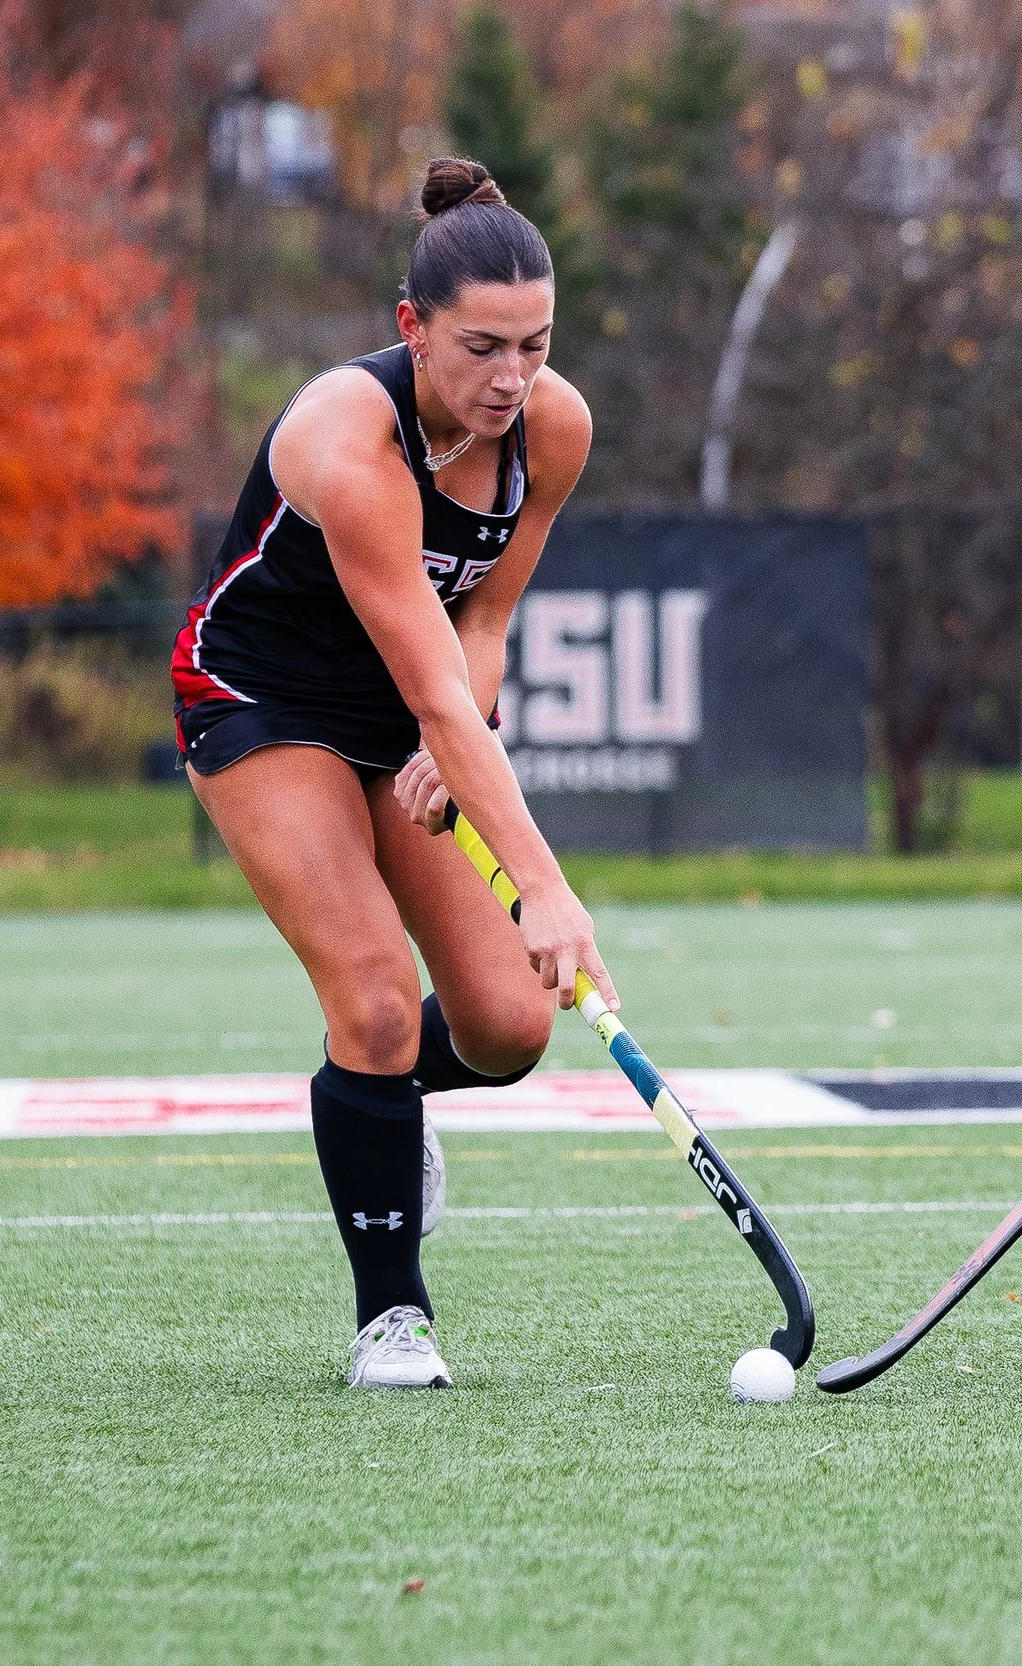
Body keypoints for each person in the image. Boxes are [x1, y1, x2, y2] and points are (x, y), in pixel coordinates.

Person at [171, 158, 615, 1388]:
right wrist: (545, 885)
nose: (511, 378)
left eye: (535, 343)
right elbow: (428, 683)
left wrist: (449, 733)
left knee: (510, 1027)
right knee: (371, 996)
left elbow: (478, 632)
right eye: (482, 347)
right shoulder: (347, 441)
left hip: (406, 705)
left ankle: (372, 1103)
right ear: (411, 327)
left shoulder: (552, 430)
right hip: (265, 702)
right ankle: (392, 1316)